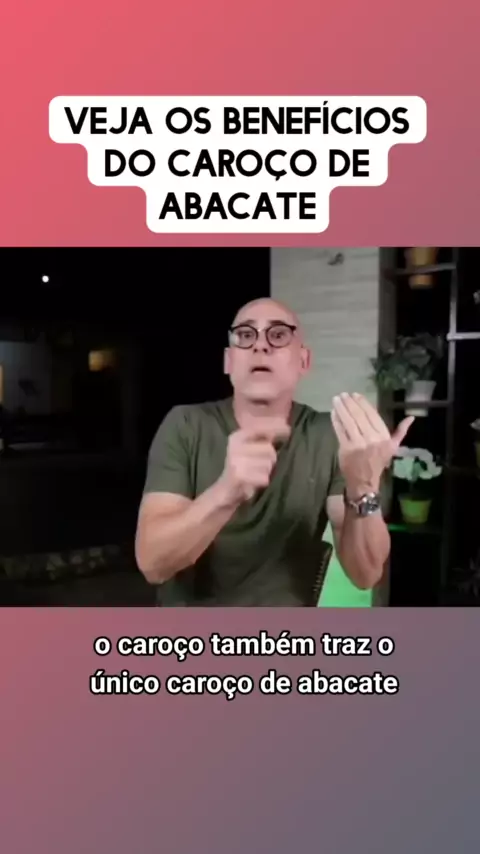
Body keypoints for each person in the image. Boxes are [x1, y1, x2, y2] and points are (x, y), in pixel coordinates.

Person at [135, 298, 413, 606]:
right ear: (228, 361)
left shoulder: (329, 435)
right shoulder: (185, 425)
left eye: (278, 335)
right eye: (245, 335)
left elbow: (365, 574)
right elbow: (153, 564)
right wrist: (226, 492)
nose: (260, 345)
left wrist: (363, 484)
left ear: (303, 361)